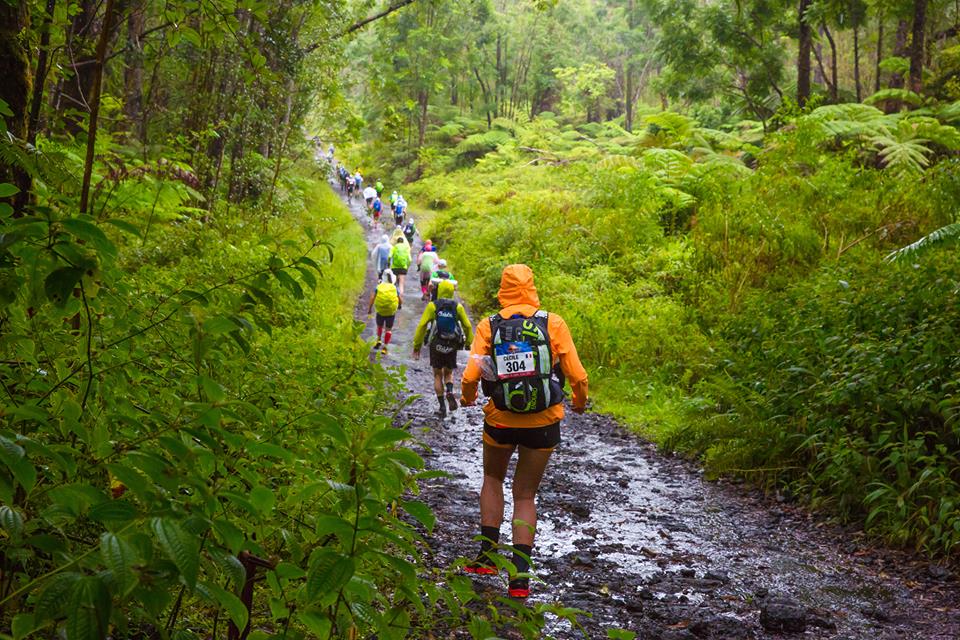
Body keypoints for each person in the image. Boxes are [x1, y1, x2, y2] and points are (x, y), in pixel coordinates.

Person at [460, 264, 588, 599]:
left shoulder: (491, 324)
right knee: (525, 495)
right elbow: (578, 375)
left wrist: (467, 397)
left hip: (500, 419)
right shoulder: (553, 323)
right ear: (532, 287)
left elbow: (471, 376)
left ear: (502, 289)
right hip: (544, 422)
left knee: (492, 479)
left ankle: (486, 558)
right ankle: (519, 579)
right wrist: (579, 401)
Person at [413, 279, 474, 418]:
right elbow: (468, 326)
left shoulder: (432, 306)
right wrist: (468, 343)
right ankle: (450, 391)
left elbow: (422, 325)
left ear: (438, 290)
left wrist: (417, 345)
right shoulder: (457, 307)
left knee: (437, 374)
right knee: (448, 373)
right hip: (451, 344)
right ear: (452, 291)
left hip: (437, 343)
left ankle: (442, 407)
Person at [367, 270, 400, 354]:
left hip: (380, 311)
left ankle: (378, 340)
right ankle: (385, 347)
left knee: (379, 326)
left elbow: (372, 298)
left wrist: (370, 309)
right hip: (390, 312)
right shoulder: (394, 287)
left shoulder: (379, 287)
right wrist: (399, 305)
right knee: (388, 329)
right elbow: (400, 299)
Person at [388, 236, 412, 309]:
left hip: (394, 268)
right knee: (401, 284)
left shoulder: (394, 247)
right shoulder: (406, 248)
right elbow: (410, 260)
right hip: (403, 268)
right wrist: (407, 266)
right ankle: (400, 299)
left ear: (397, 242)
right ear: (403, 242)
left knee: (393, 284)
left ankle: (393, 299)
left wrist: (389, 263)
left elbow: (389, 256)